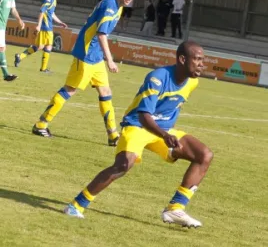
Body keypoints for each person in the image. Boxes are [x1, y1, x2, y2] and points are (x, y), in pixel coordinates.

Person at [63, 41, 213, 228]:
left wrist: (167, 133)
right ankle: (76, 205)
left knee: (204, 155)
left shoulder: (192, 82)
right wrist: (164, 135)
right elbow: (143, 116)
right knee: (123, 165)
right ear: (183, 59)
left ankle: (175, 208)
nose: (202, 64)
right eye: (197, 59)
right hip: (138, 126)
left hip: (164, 131)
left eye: (203, 60)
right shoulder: (157, 78)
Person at [31, 0, 139, 147]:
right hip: (86, 54)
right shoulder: (110, 6)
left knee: (105, 92)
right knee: (70, 90)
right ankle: (41, 124)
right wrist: (110, 60)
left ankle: (113, 136)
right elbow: (101, 34)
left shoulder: (118, 6)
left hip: (95, 57)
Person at [14, 0, 67, 73]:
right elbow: (41, 12)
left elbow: (52, 13)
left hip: (48, 26)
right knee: (48, 46)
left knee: (40, 46)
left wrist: (60, 22)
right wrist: (38, 25)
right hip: (46, 27)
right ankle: (43, 69)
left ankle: (20, 57)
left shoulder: (54, 0)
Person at [0, 0, 25, 81]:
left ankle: (6, 74)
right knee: (1, 48)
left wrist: (19, 20)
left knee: (2, 48)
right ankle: (6, 74)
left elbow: (13, 9)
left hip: (2, 25)